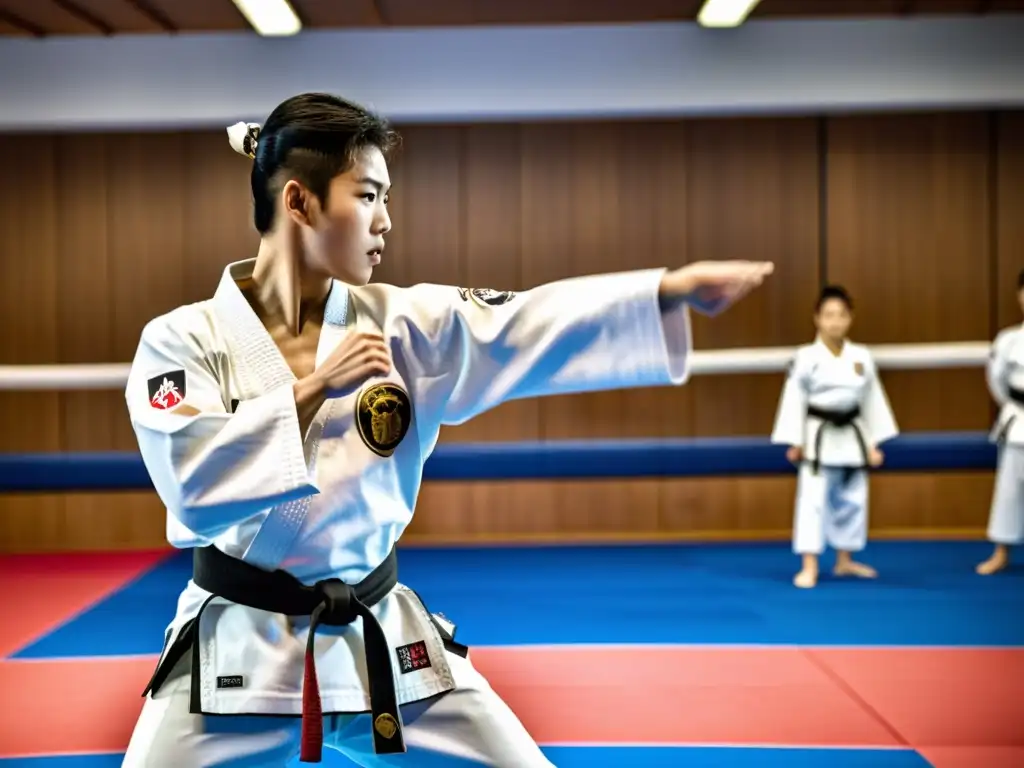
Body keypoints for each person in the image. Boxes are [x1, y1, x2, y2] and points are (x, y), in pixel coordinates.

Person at [121, 91, 774, 768]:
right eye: (369, 196)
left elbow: (522, 325)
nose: (386, 221)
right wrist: (315, 389)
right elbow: (190, 482)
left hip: (376, 636)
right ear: (299, 203)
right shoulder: (181, 341)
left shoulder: (406, 323)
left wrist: (665, 291)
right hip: (236, 645)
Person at [770, 285, 898, 589]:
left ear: (850, 318)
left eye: (841, 315)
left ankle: (844, 560)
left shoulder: (862, 357)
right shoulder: (805, 357)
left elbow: (872, 401)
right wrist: (794, 441)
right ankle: (809, 565)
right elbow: (794, 399)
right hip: (818, 434)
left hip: (853, 434)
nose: (835, 322)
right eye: (828, 315)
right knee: (812, 501)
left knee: (853, 499)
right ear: (817, 319)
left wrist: (873, 443)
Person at [976, 268, 1024, 576]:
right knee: (1009, 489)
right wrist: (1012, 405)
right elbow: (996, 380)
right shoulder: (1008, 340)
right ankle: (1001, 552)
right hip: (1018, 417)